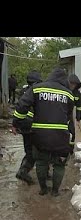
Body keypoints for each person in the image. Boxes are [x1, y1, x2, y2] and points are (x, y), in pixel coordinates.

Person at [13, 67, 74, 196]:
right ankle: (55, 191)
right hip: (60, 136)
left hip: (40, 135)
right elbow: (68, 116)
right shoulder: (69, 94)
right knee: (59, 164)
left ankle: (43, 190)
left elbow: (22, 106)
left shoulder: (37, 89)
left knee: (41, 161)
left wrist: (16, 123)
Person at [12, 70, 42, 185]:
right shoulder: (37, 91)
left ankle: (23, 170)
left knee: (28, 149)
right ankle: (23, 171)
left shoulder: (24, 91)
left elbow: (19, 108)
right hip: (33, 125)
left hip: (23, 126)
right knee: (37, 151)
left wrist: (14, 124)